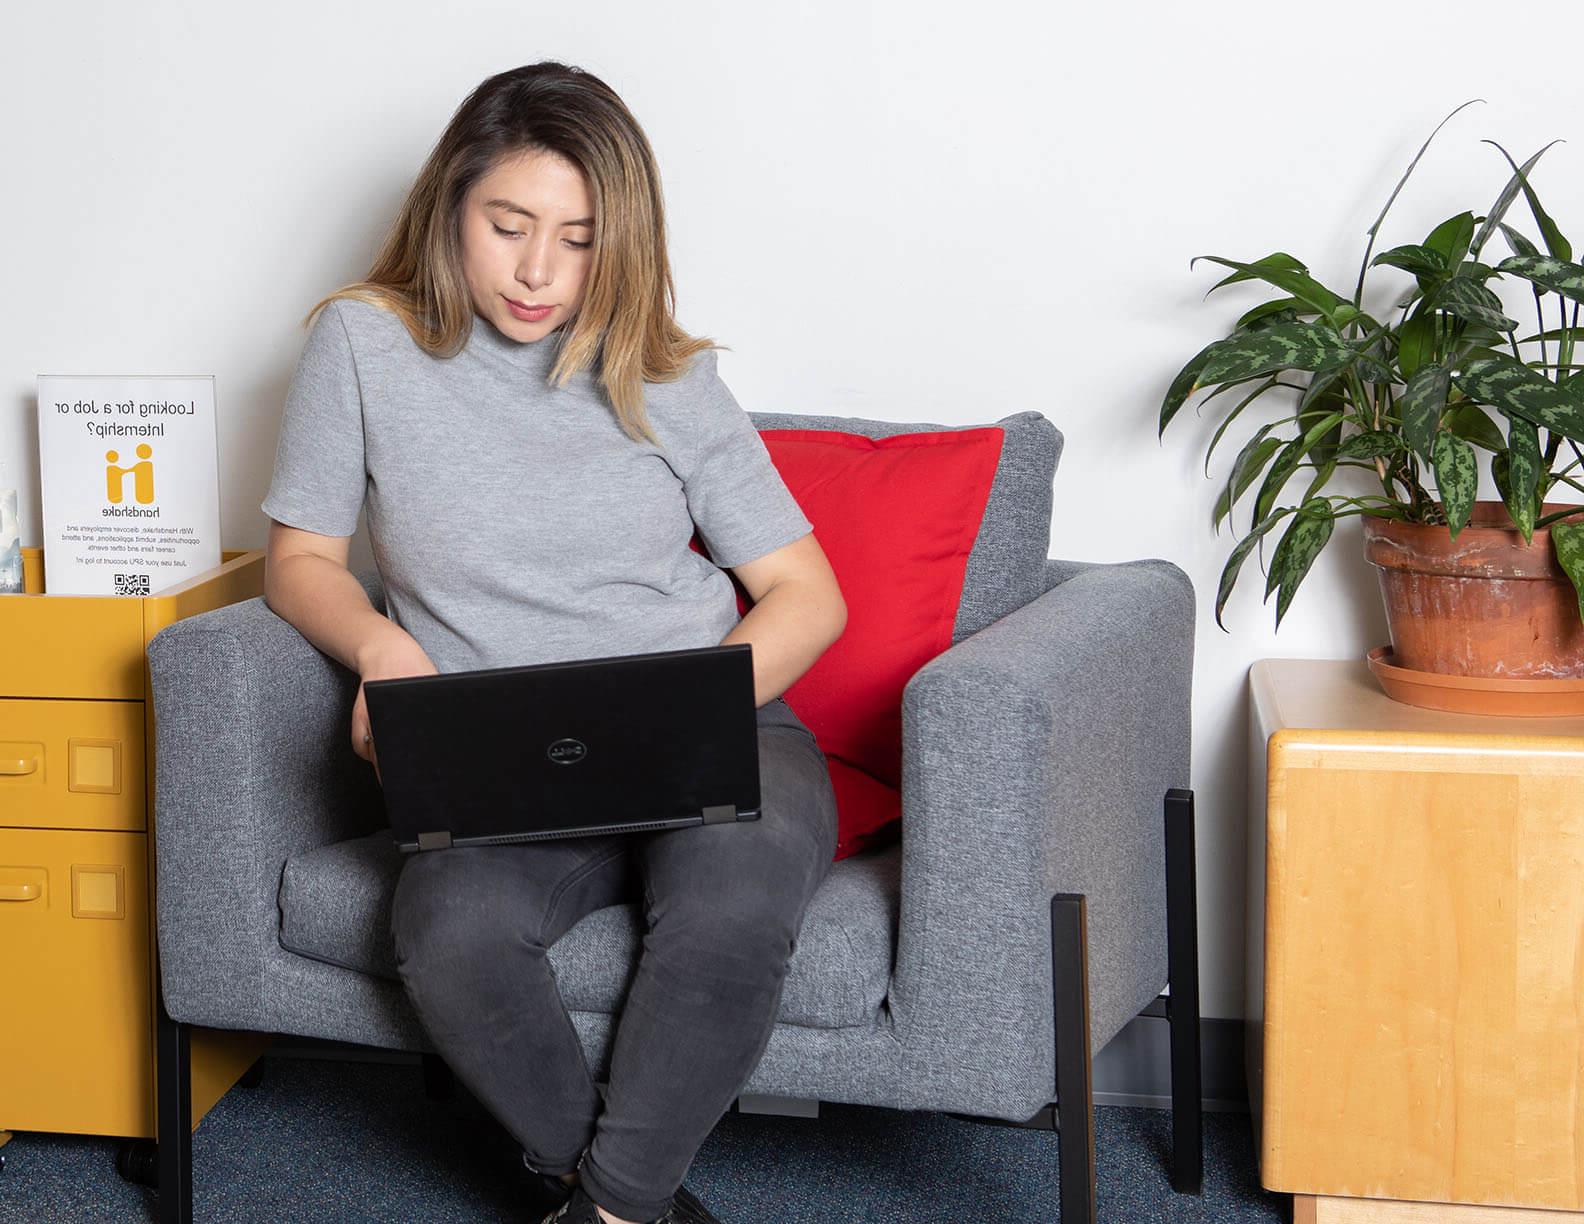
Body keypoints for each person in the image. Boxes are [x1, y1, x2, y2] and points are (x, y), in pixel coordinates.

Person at [259, 60, 847, 1224]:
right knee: (448, 926)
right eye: (509, 226)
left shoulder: (666, 370)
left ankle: (606, 1210)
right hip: (504, 752)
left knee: (733, 906)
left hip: (712, 726)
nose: (539, 273)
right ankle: (620, 1197)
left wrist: (693, 706)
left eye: (579, 240)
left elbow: (806, 597)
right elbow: (300, 562)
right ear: (451, 209)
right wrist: (382, 652)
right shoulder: (360, 347)